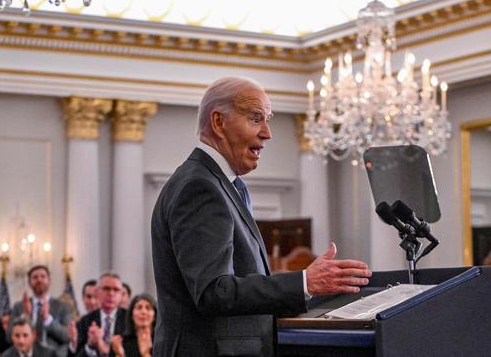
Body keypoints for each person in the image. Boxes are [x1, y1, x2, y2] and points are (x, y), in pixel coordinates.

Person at [151, 76, 372, 356]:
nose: (267, 133)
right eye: (256, 119)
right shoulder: (200, 186)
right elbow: (212, 291)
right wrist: (304, 282)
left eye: (266, 120)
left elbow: (239, 280)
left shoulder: (223, 184)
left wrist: (306, 288)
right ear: (218, 122)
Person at [9, 265, 72, 357]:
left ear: (49, 281)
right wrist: (25, 316)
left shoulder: (62, 307)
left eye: (43, 276)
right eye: (35, 277)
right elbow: (9, 337)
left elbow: (67, 336)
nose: (39, 280)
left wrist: (48, 319)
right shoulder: (19, 306)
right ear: (30, 283)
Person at [69, 273, 127, 357]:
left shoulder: (130, 319)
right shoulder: (85, 322)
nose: (111, 293)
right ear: (97, 292)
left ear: (121, 294)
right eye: (106, 288)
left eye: (116, 290)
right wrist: (90, 346)